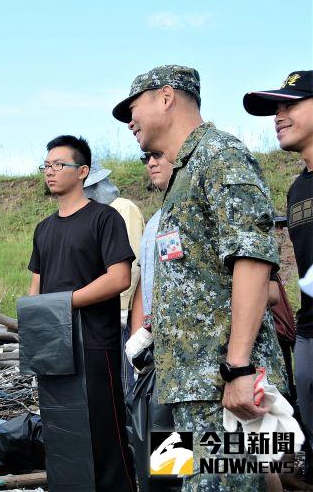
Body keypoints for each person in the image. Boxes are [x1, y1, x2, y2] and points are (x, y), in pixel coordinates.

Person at [113, 64, 286, 491]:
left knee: (234, 483)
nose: (130, 121)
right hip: (190, 384)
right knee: (195, 482)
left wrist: (239, 366)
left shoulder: (219, 155)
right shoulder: (183, 176)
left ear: (166, 97)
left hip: (222, 384)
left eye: (133, 107)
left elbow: (252, 259)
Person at [27, 135, 137, 491]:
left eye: (59, 165)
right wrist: (37, 334)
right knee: (61, 433)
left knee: (102, 431)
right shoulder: (43, 228)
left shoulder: (104, 218)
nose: (50, 172)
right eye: (46, 165)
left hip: (92, 341)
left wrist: (64, 302)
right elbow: (37, 289)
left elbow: (119, 277)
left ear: (83, 171)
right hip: (53, 347)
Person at [244, 70, 313, 481]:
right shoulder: (297, 189)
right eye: (276, 108)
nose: (278, 116)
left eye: (290, 104)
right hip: (308, 333)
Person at [125, 150, 181, 492]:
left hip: (193, 360)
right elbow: (145, 286)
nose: (152, 163)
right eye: (148, 157)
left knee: (236, 460)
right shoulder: (157, 221)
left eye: (161, 156)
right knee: (164, 464)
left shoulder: (196, 214)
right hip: (155, 361)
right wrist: (136, 343)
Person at [83, 161, 144, 393]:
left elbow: (132, 262)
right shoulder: (93, 216)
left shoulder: (122, 208)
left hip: (123, 309)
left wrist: (122, 306)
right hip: (100, 308)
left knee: (124, 376)